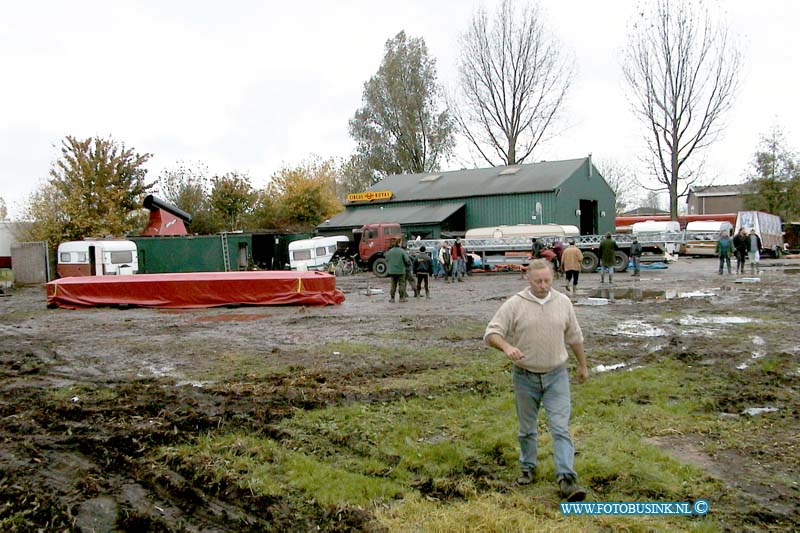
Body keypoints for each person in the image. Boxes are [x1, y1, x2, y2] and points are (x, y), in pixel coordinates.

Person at [484, 259, 588, 501]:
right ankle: (527, 468)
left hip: (557, 376)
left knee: (561, 428)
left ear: (553, 278)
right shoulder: (515, 305)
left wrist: (583, 365)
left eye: (547, 280)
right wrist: (507, 346)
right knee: (526, 429)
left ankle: (566, 478)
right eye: (538, 281)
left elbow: (574, 336)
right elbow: (491, 333)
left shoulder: (563, 302)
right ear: (527, 280)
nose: (543, 285)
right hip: (525, 377)